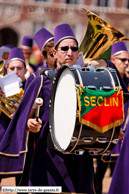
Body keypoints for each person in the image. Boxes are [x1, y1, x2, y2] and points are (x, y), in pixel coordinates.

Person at [0, 25, 128, 193]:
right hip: (48, 162)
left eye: (74, 49)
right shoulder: (40, 82)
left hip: (80, 163)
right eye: (64, 48)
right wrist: (29, 124)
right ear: (54, 52)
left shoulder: (89, 80)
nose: (69, 52)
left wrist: (110, 130)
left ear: (78, 53)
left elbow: (114, 96)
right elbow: (22, 118)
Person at [95, 41, 129, 194]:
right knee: (99, 173)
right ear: (113, 61)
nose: (127, 63)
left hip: (124, 133)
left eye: (128, 60)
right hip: (108, 132)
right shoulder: (105, 79)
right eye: (123, 60)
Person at [0, 47, 27, 185]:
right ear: (6, 70)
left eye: (19, 68)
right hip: (2, 140)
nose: (16, 72)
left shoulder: (31, 87)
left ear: (26, 70)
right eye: (12, 68)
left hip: (23, 144)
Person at [24, 28, 56, 92]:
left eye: (57, 53)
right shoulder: (34, 77)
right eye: (52, 54)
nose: (56, 57)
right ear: (44, 58)